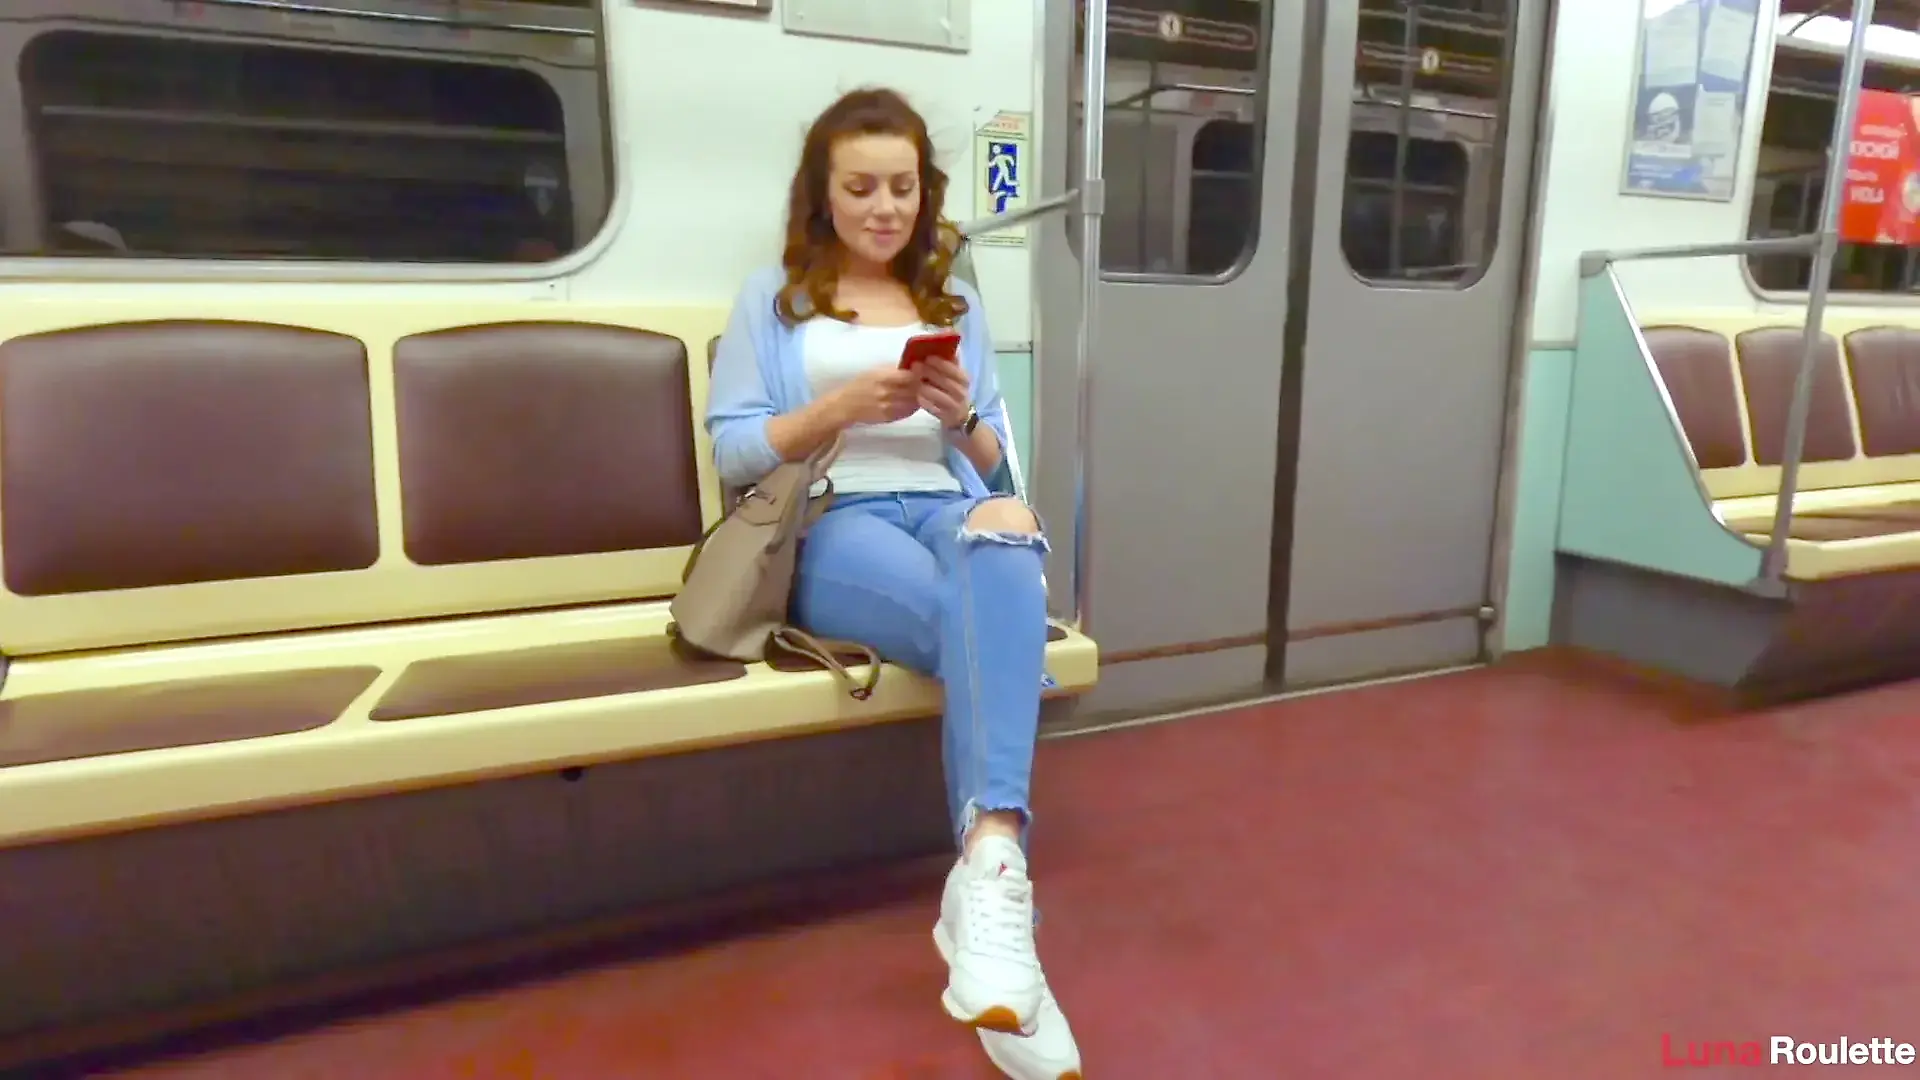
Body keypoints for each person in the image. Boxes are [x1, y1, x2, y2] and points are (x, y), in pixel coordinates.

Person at [705, 88, 1083, 1080]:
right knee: (995, 624)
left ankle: (988, 873)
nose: (884, 208)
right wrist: (836, 408)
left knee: (1009, 530)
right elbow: (735, 451)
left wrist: (961, 418)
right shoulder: (773, 300)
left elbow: (1001, 472)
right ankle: (1004, 919)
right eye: (861, 187)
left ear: (926, 194)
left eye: (902, 188)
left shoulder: (954, 303)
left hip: (945, 510)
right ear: (822, 196)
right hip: (837, 521)